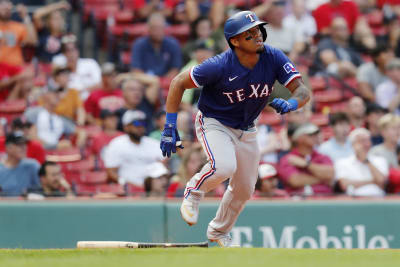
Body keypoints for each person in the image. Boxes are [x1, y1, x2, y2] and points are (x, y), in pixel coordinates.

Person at [159, 11, 311, 246]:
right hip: (215, 122)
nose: (257, 35)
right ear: (235, 41)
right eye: (248, 33)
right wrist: (170, 123)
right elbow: (178, 82)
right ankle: (193, 191)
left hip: (247, 128)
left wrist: (292, 103)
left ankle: (219, 231)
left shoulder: (273, 57)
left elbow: (302, 90)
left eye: (258, 29)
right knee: (223, 166)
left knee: (245, 188)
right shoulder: (218, 65)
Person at [104, 110, 163, 187]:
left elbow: (164, 166)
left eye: (143, 123)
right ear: (126, 127)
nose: (140, 126)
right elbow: (111, 172)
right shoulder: (117, 144)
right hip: (126, 191)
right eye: (136, 123)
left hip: (152, 191)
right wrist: (124, 184)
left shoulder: (154, 143)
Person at [278, 123, 334, 196]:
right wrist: (323, 179)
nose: (315, 137)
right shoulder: (288, 158)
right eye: (310, 135)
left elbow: (330, 174)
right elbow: (295, 181)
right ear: (299, 138)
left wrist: (306, 164)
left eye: (316, 134)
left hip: (326, 200)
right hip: (298, 203)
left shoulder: (322, 157)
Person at [335, 128, 388, 197]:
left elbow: (381, 182)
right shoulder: (342, 162)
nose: (366, 144)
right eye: (362, 141)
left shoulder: (380, 160)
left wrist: (366, 160)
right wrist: (373, 182)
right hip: (353, 200)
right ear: (353, 144)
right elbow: (344, 185)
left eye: (368, 140)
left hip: (377, 199)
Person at [131, 12, 182, 79]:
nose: (158, 31)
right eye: (155, 28)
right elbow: (136, 70)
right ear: (149, 29)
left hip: (167, 82)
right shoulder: (139, 44)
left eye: (161, 28)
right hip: (145, 82)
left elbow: (175, 69)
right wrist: (152, 81)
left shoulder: (173, 44)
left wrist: (162, 82)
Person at [52, 34, 101, 100]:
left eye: (73, 49)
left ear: (78, 51)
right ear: (64, 54)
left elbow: (100, 84)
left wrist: (82, 90)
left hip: (92, 101)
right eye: (68, 50)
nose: (71, 54)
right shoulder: (62, 71)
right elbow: (59, 90)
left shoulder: (90, 63)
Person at [0, 132, 40, 196]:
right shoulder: (1, 169)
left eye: (25, 144)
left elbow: (42, 189)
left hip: (27, 205)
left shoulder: (32, 166)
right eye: (19, 145)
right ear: (8, 148)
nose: (24, 147)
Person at [0, 0, 37, 66]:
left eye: (8, 8)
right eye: (3, 6)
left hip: (15, 68)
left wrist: (25, 16)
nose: (6, 9)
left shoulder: (18, 27)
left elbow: (33, 41)